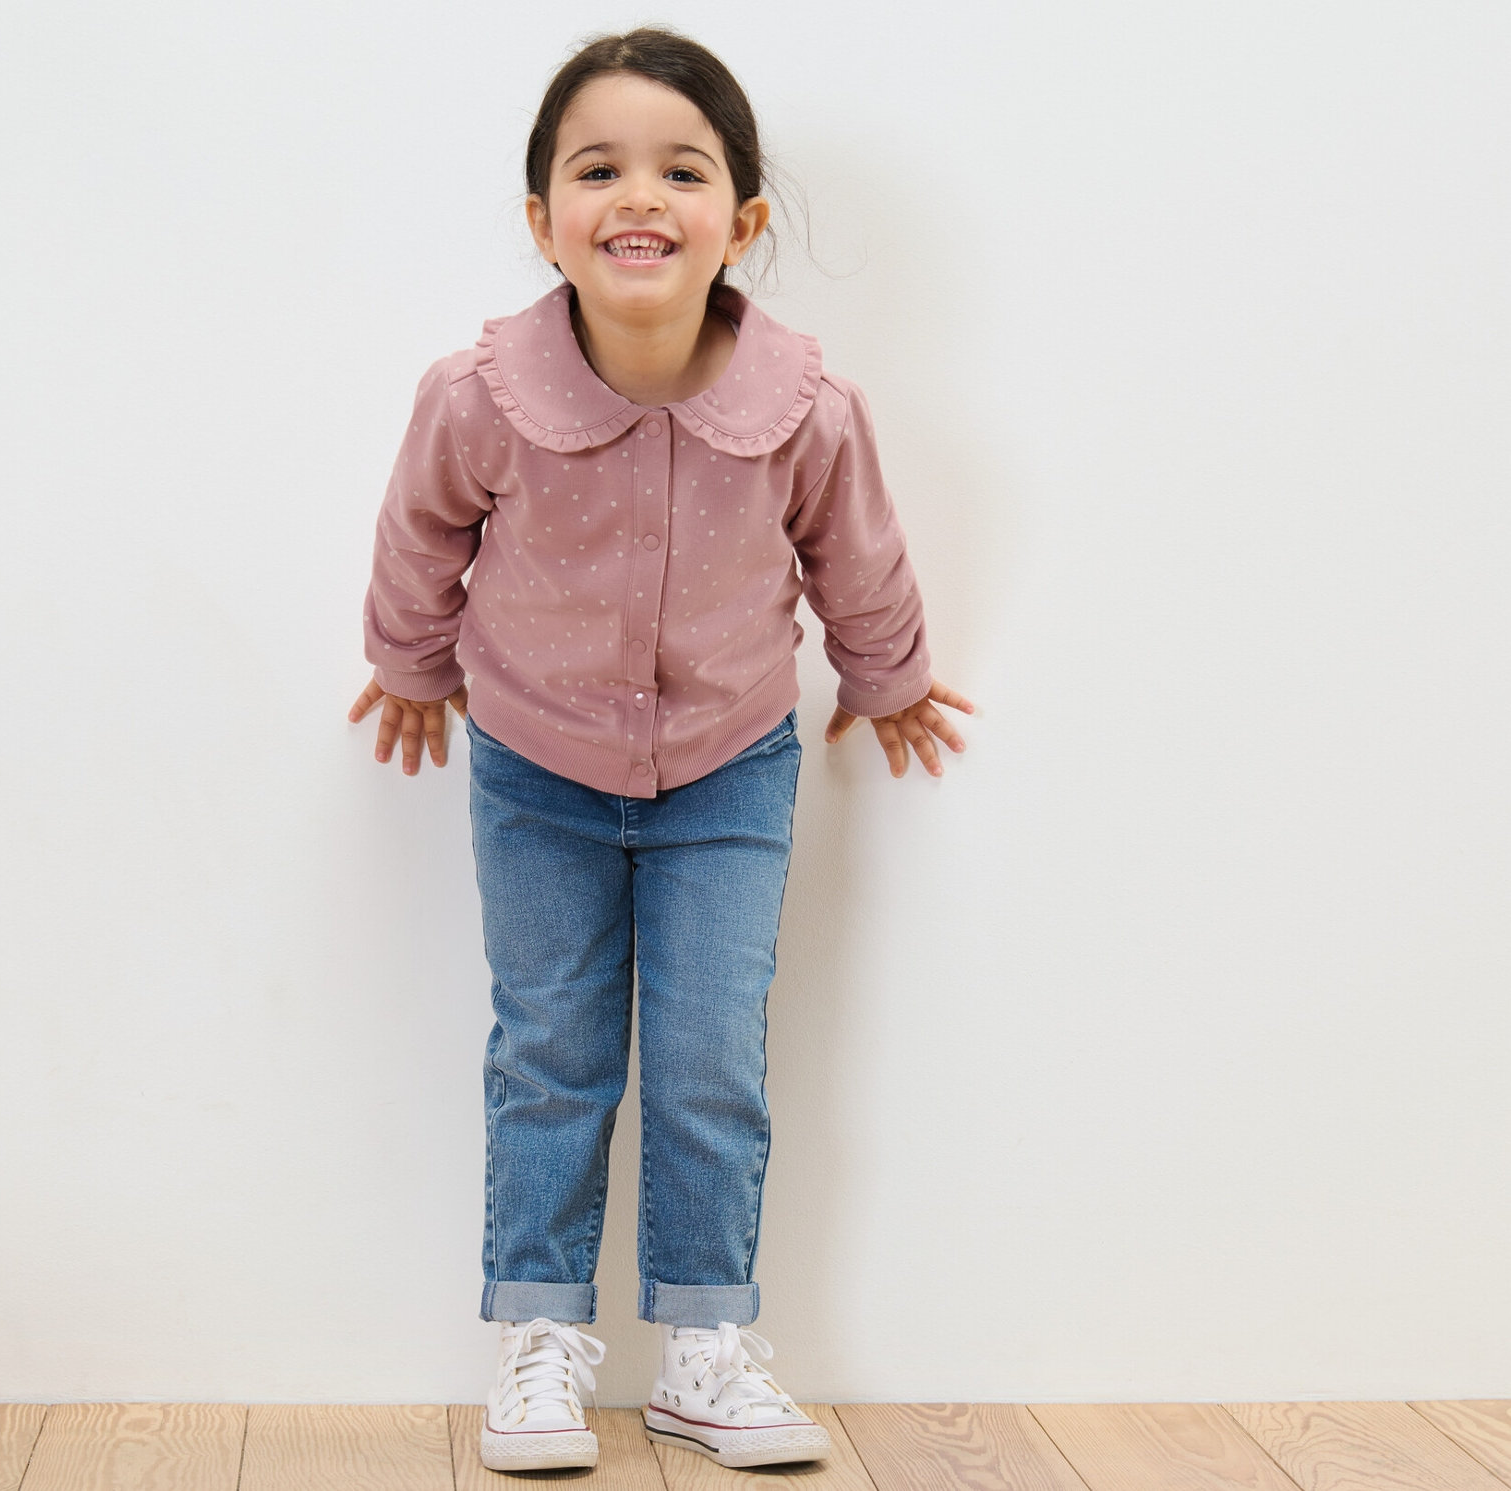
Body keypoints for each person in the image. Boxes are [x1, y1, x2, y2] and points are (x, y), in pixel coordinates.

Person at [350, 25, 976, 1473]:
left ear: (740, 221)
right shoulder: (475, 397)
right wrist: (409, 663)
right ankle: (538, 1339)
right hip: (533, 768)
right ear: (541, 220)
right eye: (598, 168)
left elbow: (855, 557)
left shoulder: (806, 409)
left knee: (706, 1057)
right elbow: (418, 534)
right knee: (552, 1051)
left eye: (680, 170)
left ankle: (704, 1342)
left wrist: (890, 680)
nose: (639, 197)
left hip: (727, 770)